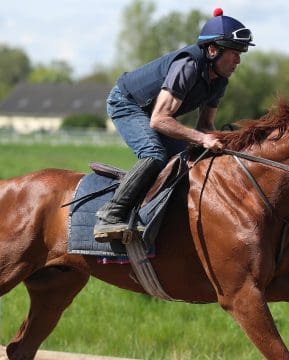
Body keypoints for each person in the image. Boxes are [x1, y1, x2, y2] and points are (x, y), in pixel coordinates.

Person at [93, 8, 254, 242]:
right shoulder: (188, 65)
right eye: (234, 53)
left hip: (154, 113)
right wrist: (202, 139)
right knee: (154, 154)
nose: (238, 60)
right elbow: (159, 120)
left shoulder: (220, 81)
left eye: (242, 53)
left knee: (188, 160)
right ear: (212, 50)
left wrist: (228, 141)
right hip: (126, 103)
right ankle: (111, 213)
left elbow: (205, 125)